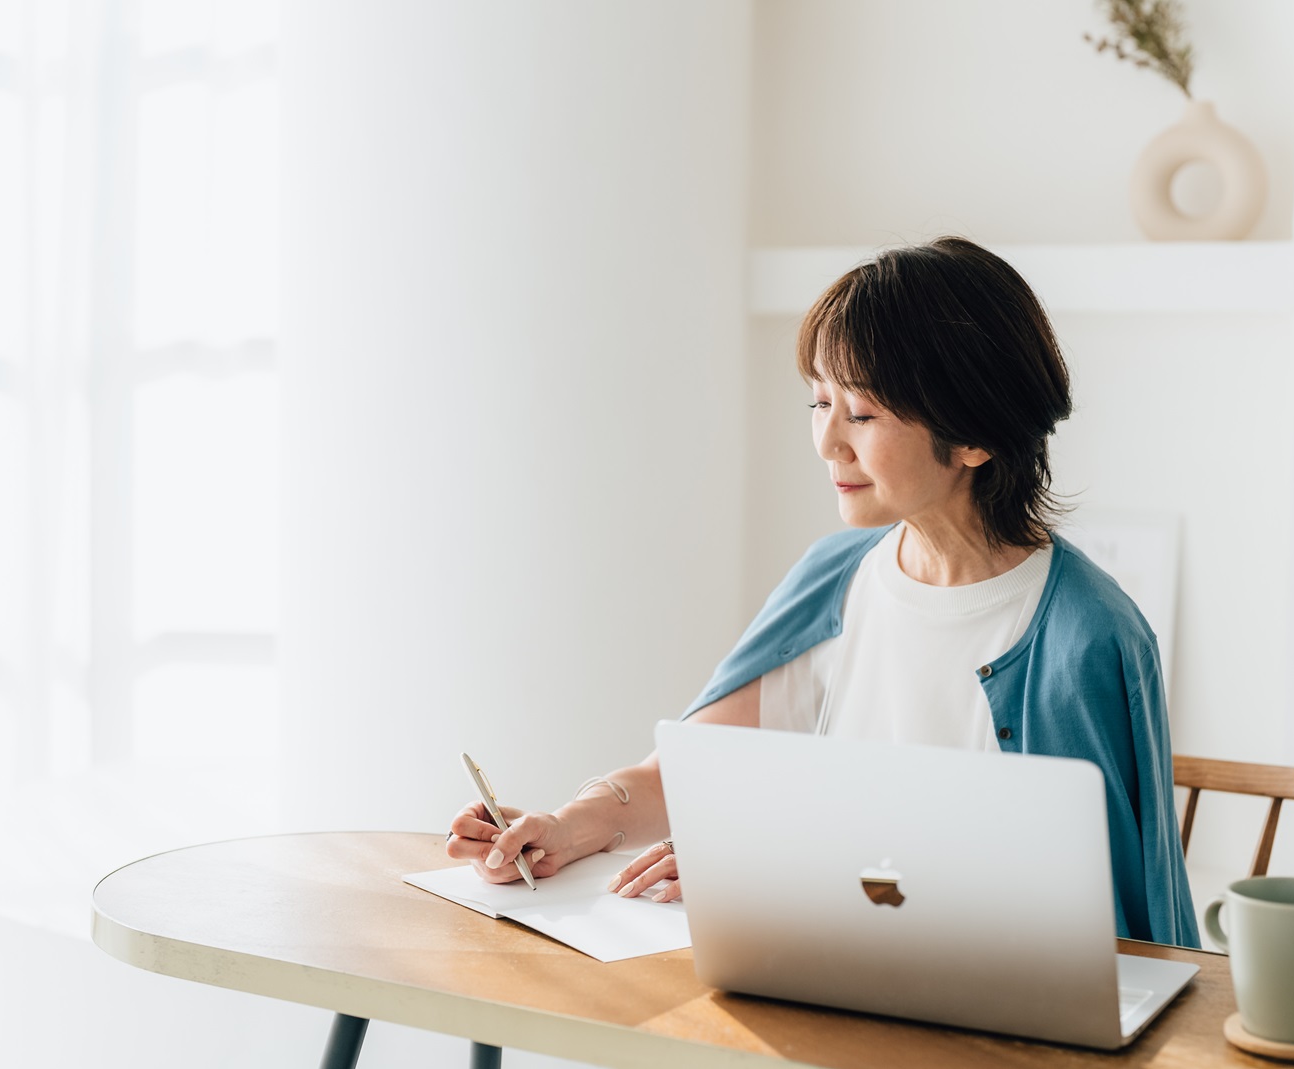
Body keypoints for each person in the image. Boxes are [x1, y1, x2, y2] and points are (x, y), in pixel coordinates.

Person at [447, 236, 1201, 949]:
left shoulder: (1085, 635)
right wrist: (565, 828)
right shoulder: (834, 577)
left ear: (975, 436)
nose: (828, 441)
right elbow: (687, 769)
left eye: (862, 412)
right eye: (819, 402)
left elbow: (1090, 927)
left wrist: (775, 869)